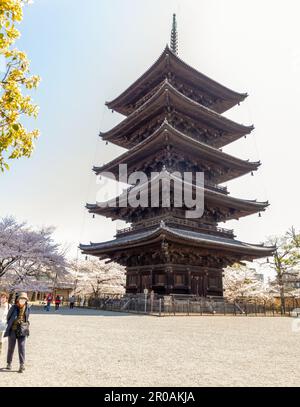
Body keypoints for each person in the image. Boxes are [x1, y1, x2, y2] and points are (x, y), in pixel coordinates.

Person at [4, 292, 30, 373]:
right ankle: (9, 363)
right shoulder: (13, 307)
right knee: (11, 347)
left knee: (22, 347)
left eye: (24, 299)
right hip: (13, 330)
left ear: (26, 300)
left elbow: (27, 317)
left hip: (22, 330)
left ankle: (22, 365)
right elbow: (8, 317)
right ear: (18, 300)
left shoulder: (27, 307)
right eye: (21, 299)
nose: (22, 300)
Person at [0, 292, 10, 356]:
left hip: (4, 326)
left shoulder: (9, 306)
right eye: (1, 297)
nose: (3, 299)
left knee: (1, 340)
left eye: (4, 297)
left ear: (6, 299)